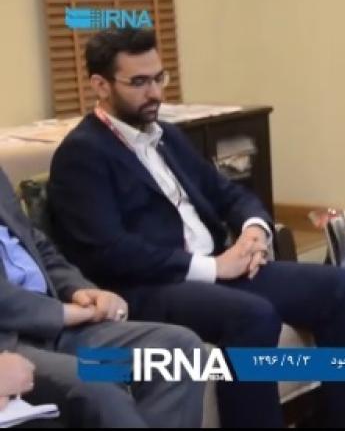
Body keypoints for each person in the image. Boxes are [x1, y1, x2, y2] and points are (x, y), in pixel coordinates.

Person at [47, 28, 345, 427]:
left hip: (218, 268)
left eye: (159, 78)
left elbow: (229, 194)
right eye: (139, 82)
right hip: (150, 286)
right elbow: (109, 251)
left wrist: (254, 231)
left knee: (338, 287)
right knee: (253, 316)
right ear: (101, 85)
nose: (155, 92)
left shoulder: (167, 135)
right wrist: (214, 267)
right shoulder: (82, 155)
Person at [0, 168, 204, 427]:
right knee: (98, 383)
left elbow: (36, 244)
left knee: (178, 353)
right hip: (11, 343)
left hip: (59, 332)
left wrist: (77, 289)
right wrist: (64, 313)